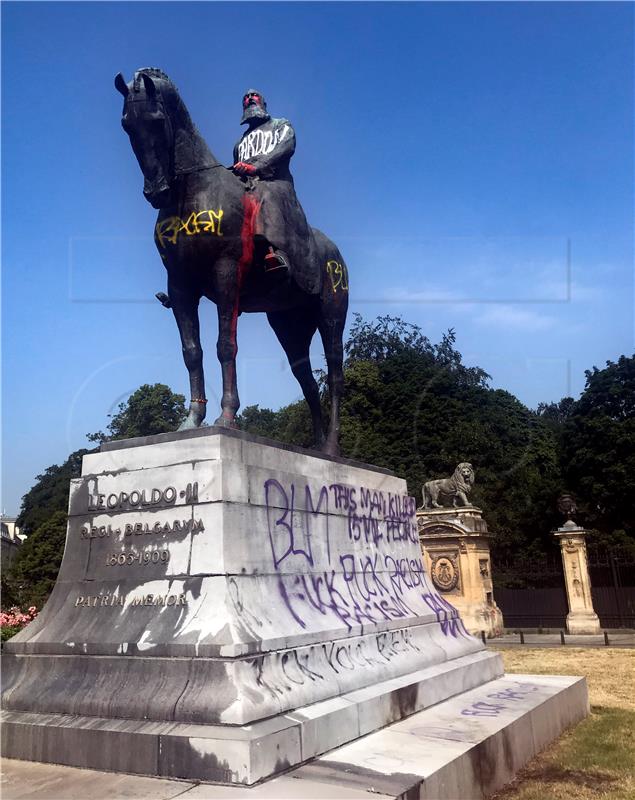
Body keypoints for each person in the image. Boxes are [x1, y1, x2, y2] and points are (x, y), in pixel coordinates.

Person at [232, 90, 319, 293]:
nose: (249, 98)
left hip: (276, 183)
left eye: (254, 95)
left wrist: (258, 166)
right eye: (245, 98)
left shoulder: (281, 125)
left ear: (264, 102)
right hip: (247, 187)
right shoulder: (239, 144)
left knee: (264, 192)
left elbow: (286, 147)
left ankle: (272, 251)